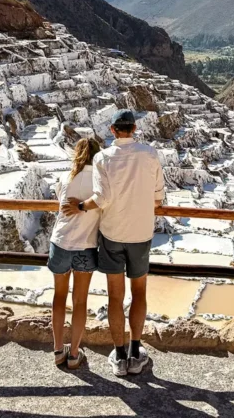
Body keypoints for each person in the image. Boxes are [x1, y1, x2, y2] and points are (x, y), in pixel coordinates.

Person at [61, 109, 165, 377]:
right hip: (141, 235)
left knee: (115, 297)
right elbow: (158, 199)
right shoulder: (150, 154)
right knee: (139, 293)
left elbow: (102, 199)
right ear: (134, 128)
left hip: (112, 235)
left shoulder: (102, 158)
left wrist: (81, 206)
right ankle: (136, 352)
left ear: (112, 130)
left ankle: (119, 357)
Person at [48, 137, 103, 370]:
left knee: (59, 298)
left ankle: (58, 350)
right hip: (85, 246)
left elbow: (59, 200)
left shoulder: (65, 177)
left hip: (60, 243)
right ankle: (73, 355)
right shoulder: (102, 182)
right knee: (80, 301)